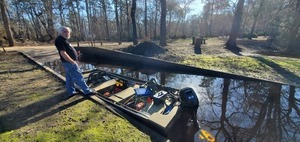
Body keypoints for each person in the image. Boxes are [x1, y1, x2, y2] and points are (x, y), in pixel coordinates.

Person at [55, 26, 95, 98]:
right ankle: (87, 91)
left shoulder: (64, 40)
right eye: (65, 31)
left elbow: (68, 50)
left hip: (69, 62)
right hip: (69, 63)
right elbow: (63, 53)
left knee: (69, 78)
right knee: (79, 77)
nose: (67, 33)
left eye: (68, 32)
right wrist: (72, 61)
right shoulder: (59, 40)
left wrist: (75, 53)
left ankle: (71, 92)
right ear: (60, 32)